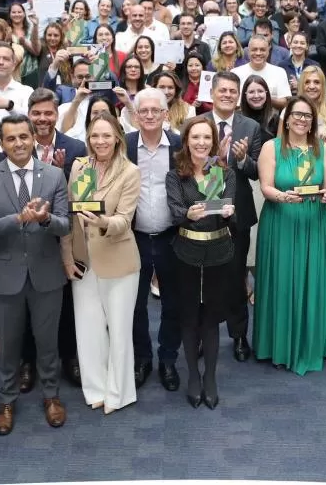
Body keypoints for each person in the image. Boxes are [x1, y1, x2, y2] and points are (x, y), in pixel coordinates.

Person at [0, 113, 71, 434]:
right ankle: (6, 399)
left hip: (46, 274)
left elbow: (64, 223)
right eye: (11, 138)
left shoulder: (55, 175)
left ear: (33, 138)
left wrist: (43, 220)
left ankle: (51, 395)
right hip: (5, 277)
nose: (18, 143)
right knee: (10, 346)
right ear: (1, 144)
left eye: (23, 137)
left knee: (47, 343)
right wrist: (18, 218)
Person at [60, 111, 141, 414]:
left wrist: (103, 221)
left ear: (118, 137)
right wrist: (67, 258)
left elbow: (125, 220)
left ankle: (119, 393)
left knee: (119, 330)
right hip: (84, 261)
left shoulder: (130, 171)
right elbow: (68, 218)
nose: (100, 141)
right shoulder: (79, 167)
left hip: (118, 260)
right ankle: (94, 389)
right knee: (88, 329)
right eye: (95, 135)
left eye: (107, 135)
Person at [254, 96, 326, 374]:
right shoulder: (271, 148)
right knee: (281, 280)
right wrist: (282, 197)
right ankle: (276, 345)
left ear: (313, 122)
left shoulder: (324, 149)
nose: (302, 119)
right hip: (281, 221)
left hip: (313, 223)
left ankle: (308, 346)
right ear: (286, 119)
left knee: (310, 281)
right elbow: (266, 187)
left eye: (307, 116)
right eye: (297, 115)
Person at [166, 116, 236, 405]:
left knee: (212, 318)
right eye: (195, 137)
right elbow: (175, 210)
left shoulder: (225, 173)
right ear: (186, 141)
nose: (201, 143)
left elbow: (228, 205)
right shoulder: (175, 175)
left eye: (207, 138)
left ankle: (210, 377)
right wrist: (188, 215)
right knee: (189, 316)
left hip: (220, 251)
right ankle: (194, 375)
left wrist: (229, 210)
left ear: (214, 142)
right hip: (185, 253)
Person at [19, 90, 86, 389]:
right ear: (29, 114)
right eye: (37, 113)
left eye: (48, 113)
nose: (42, 119)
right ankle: (27, 362)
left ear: (57, 114)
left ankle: (70, 358)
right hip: (29, 242)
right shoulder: (18, 146)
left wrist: (60, 176)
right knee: (27, 306)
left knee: (68, 304)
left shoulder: (76, 147)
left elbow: (85, 193)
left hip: (65, 236)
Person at [124, 88, 182, 392]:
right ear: (135, 116)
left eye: (155, 111)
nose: (148, 116)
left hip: (172, 237)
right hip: (134, 238)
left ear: (165, 115)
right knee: (135, 305)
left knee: (173, 303)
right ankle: (143, 358)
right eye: (143, 111)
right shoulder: (125, 145)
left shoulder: (179, 145)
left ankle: (168, 358)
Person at [208, 72, 262, 361]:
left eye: (232, 91)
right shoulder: (198, 124)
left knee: (235, 277)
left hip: (238, 213)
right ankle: (204, 335)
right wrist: (213, 159)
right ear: (213, 93)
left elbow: (257, 171)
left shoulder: (250, 127)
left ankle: (239, 336)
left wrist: (242, 159)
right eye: (223, 90)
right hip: (203, 214)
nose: (227, 94)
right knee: (204, 278)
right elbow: (185, 166)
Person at [233, 36, 292, 110]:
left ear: (268, 51)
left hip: (271, 119)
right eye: (254, 50)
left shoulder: (279, 72)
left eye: (262, 50)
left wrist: (264, 97)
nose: (258, 53)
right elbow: (232, 102)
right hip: (242, 118)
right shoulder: (235, 73)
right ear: (248, 51)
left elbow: (284, 102)